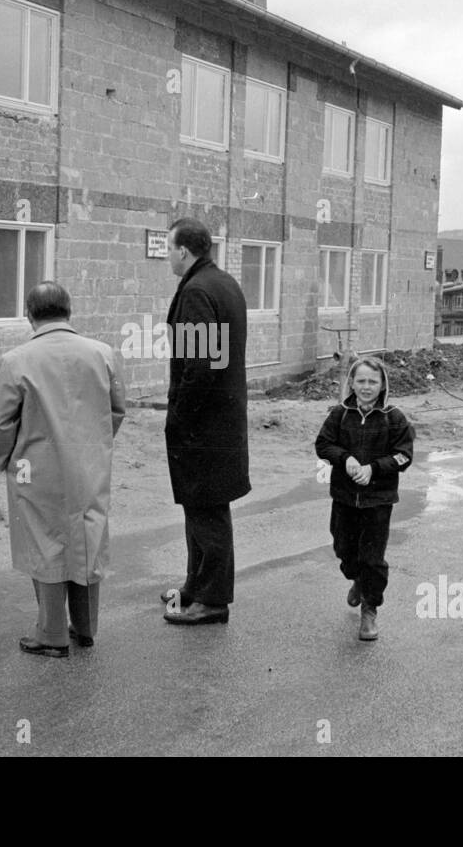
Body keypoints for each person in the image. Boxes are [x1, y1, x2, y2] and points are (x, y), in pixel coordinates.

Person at [0, 282, 126, 657]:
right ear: (69, 311)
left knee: (45, 542)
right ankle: (85, 627)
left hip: (36, 467)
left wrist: (4, 459)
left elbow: (2, 423)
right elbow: (117, 409)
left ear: (30, 315)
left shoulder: (16, 361)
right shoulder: (103, 354)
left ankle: (51, 635)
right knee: (87, 537)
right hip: (89, 465)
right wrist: (96, 446)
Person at [160, 218, 250, 626]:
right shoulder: (222, 282)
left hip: (203, 426)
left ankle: (212, 599)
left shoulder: (197, 291)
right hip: (220, 421)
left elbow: (199, 367)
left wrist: (180, 415)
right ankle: (196, 586)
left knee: (207, 511)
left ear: (183, 250)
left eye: (168, 248)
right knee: (201, 508)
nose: (167, 256)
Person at [315, 356, 415, 641]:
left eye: (373, 381)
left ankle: (370, 610)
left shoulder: (394, 417)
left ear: (382, 384)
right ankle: (356, 579)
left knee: (373, 558)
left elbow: (404, 455)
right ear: (351, 383)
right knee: (344, 551)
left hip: (378, 501)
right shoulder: (340, 414)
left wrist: (374, 469)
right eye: (361, 381)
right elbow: (323, 444)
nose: (367, 387)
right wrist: (344, 459)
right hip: (344, 497)